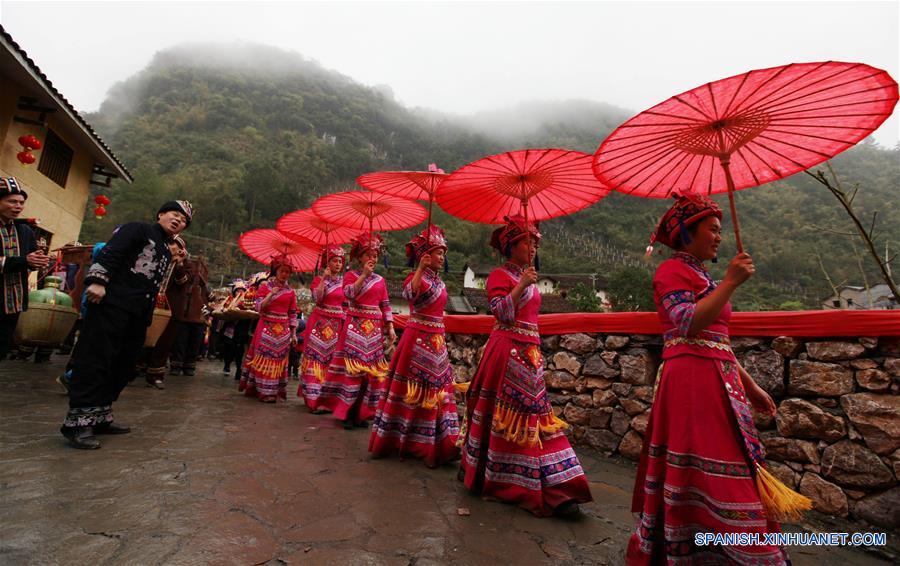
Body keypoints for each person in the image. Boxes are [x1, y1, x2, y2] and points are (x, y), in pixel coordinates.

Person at [626, 194, 808, 565]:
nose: (719, 237)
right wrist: (730, 283)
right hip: (691, 383)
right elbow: (688, 323)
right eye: (712, 229)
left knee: (732, 465)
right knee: (717, 469)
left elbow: (716, 341)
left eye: (720, 230)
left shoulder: (701, 276)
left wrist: (751, 385)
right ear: (686, 233)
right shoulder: (670, 272)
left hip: (719, 380)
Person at [459, 215, 592, 517]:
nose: (532, 247)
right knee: (510, 417)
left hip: (530, 356)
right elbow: (501, 313)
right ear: (511, 246)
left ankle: (558, 485)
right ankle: (514, 481)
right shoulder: (498, 276)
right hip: (506, 353)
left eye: (535, 242)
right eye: (526, 242)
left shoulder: (528, 276)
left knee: (535, 418)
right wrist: (520, 285)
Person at [60, 200, 193, 449]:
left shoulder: (166, 249)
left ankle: (100, 416)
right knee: (96, 360)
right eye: (175, 214)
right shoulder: (138, 229)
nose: (178, 220)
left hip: (137, 313)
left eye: (184, 220)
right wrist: (98, 281)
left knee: (122, 364)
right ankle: (78, 424)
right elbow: (113, 251)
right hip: (112, 304)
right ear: (161, 214)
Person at [369, 225, 460, 467]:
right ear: (425, 256)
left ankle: (442, 442)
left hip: (437, 342)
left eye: (443, 253)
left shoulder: (439, 282)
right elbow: (410, 294)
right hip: (417, 339)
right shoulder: (414, 277)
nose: (442, 257)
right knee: (414, 391)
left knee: (437, 392)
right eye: (438, 253)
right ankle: (412, 442)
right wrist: (420, 267)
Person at [318, 232, 395, 429]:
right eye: (369, 255)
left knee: (371, 375)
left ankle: (362, 413)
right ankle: (348, 413)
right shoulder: (351, 276)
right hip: (355, 326)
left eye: (376, 255)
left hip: (374, 331)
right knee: (353, 372)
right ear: (360, 257)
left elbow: (385, 304)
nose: (373, 259)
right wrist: (363, 276)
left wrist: (390, 325)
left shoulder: (380, 280)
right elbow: (349, 294)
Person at [238, 255, 299, 402]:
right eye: (282, 271)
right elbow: (259, 307)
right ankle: (263, 392)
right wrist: (272, 294)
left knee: (278, 361)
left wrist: (294, 334)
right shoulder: (265, 287)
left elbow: (293, 313)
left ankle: (273, 391)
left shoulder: (291, 292)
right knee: (264, 359)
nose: (285, 274)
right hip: (266, 327)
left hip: (283, 331)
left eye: (287, 272)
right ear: (275, 271)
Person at [0, 177, 49, 360]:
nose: (18, 206)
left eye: (21, 202)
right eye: (12, 201)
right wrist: (24, 261)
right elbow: (23, 260)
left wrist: (39, 260)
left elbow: (30, 259)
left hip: (13, 302)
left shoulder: (25, 231)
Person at [297, 245, 346, 413]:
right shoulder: (318, 280)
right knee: (316, 360)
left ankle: (328, 400)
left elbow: (346, 304)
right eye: (334, 260)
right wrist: (324, 279)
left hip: (336, 326)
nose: (338, 264)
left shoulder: (344, 282)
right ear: (327, 263)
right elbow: (318, 299)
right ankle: (313, 399)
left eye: (340, 261)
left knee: (332, 362)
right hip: (319, 324)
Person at [138, 236, 187, 389]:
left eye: (178, 246)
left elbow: (183, 282)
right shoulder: (156, 258)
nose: (174, 248)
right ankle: (134, 368)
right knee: (140, 337)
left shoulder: (184, 265)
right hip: (149, 303)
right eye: (172, 244)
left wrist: (179, 264)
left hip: (169, 308)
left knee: (164, 342)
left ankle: (155, 375)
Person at [168, 256, 210, 377]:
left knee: (194, 343)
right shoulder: (185, 282)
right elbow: (181, 279)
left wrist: (208, 309)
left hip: (199, 317)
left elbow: (209, 299)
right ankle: (176, 365)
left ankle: (189, 366)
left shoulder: (204, 288)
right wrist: (181, 266)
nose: (198, 271)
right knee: (180, 342)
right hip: (184, 315)